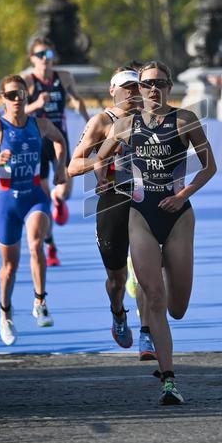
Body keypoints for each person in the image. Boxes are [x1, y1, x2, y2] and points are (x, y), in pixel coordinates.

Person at [95, 61, 217, 404]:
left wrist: (182, 196)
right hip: (141, 214)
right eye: (146, 84)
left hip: (178, 217)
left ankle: (164, 271)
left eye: (159, 83)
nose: (152, 90)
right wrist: (108, 185)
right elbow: (100, 160)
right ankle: (168, 380)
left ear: (169, 87)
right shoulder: (124, 124)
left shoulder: (185, 120)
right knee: (154, 296)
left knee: (177, 307)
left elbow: (210, 166)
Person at [0, 74, 67, 346]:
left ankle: (40, 300)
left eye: (21, 94)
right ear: (3, 99)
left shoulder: (40, 124)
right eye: (11, 95)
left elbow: (60, 140)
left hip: (34, 195)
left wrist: (60, 168)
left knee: (36, 244)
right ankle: (6, 314)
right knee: (9, 268)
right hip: (8, 200)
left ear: (27, 97)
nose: (16, 100)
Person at [68, 66, 154, 357]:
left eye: (136, 87)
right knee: (116, 280)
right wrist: (99, 163)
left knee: (146, 274)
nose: (132, 93)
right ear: (112, 91)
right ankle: (118, 313)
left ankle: (147, 334)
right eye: (126, 88)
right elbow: (72, 166)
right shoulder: (102, 122)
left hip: (146, 201)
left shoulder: (153, 119)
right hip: (114, 200)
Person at [24, 37, 89, 265]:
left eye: (48, 55)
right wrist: (35, 105)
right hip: (37, 142)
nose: (44, 59)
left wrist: (88, 121)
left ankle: (58, 199)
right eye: (40, 55)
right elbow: (15, 111)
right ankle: (50, 246)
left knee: (65, 191)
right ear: (32, 59)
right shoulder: (28, 82)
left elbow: (77, 100)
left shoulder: (64, 77)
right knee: (41, 199)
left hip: (59, 140)